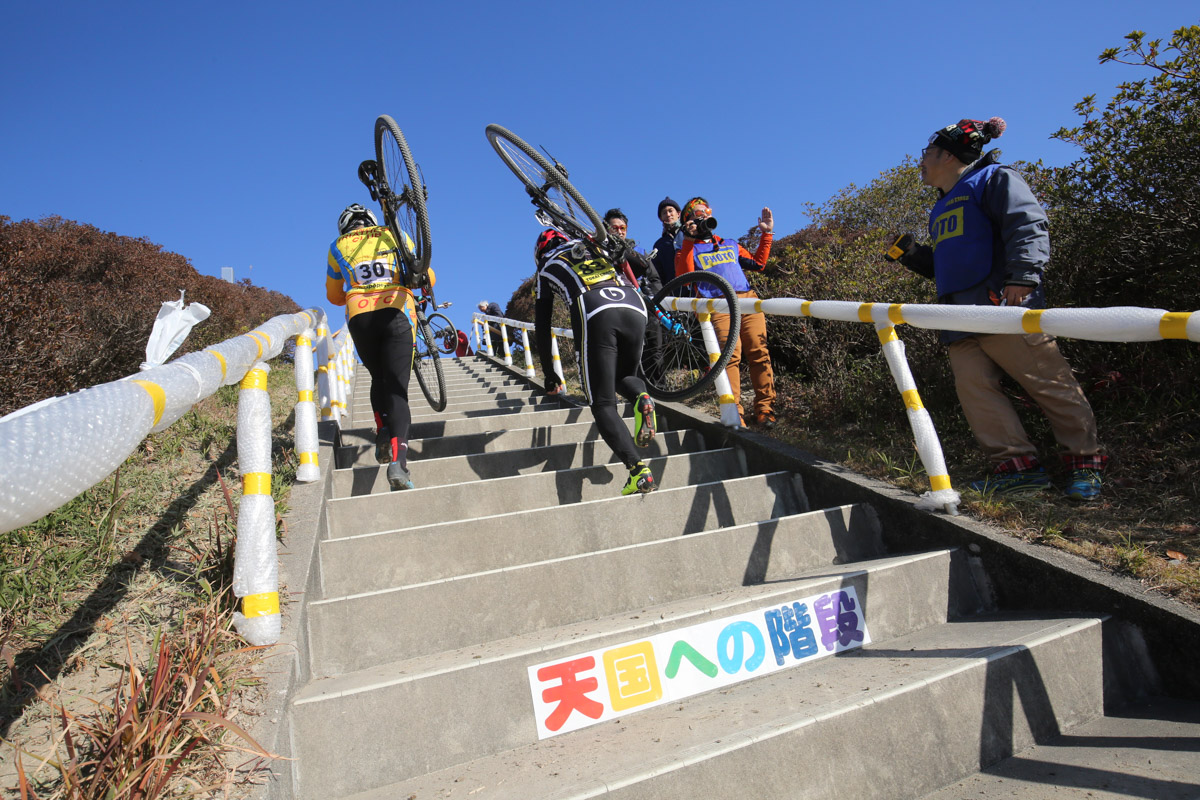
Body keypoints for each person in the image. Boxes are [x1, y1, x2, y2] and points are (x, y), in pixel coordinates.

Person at [885, 116, 1106, 500]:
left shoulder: (995, 179)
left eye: (927, 153)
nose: (920, 160)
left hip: (1003, 306)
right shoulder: (940, 208)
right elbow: (950, 266)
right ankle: (1018, 469)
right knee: (977, 394)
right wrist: (915, 255)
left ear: (950, 155)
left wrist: (1022, 277)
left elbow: (1027, 225)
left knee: (1050, 384)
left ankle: (1085, 463)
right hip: (956, 318)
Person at [532, 228, 658, 495]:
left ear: (540, 253)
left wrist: (550, 373)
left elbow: (542, 327)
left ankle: (638, 472)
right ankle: (641, 398)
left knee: (602, 403)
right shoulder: (593, 245)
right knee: (623, 374)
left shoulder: (545, 268)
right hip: (634, 304)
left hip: (594, 307)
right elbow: (640, 264)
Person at [326, 203, 419, 491]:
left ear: (345, 227)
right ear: (370, 221)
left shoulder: (336, 246)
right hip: (396, 311)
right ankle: (399, 463)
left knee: (378, 377)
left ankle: (381, 431)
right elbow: (424, 273)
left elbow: (333, 296)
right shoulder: (395, 234)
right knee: (396, 390)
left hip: (359, 316)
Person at [675, 197, 777, 428]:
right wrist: (689, 241)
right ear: (687, 223)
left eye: (704, 214)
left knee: (759, 351)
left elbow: (758, 264)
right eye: (695, 216)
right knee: (730, 356)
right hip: (717, 304)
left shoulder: (729, 243)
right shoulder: (686, 250)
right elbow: (684, 277)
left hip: (748, 299)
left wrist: (767, 234)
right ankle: (735, 412)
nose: (701, 219)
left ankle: (765, 409)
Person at [651, 197, 682, 284]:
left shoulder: (689, 235)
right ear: (661, 218)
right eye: (664, 213)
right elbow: (658, 274)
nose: (668, 215)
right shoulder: (659, 245)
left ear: (678, 214)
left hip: (696, 290)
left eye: (670, 211)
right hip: (672, 292)